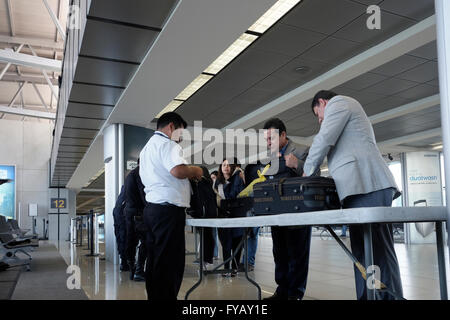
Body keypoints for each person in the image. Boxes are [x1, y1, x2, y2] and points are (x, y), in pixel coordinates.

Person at [303, 90, 403, 300]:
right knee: (363, 251)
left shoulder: (339, 103)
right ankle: (367, 297)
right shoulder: (344, 109)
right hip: (358, 187)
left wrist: (307, 171)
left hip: (368, 185)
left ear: (322, 102)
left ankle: (389, 298)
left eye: (318, 115)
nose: (320, 120)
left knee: (377, 249)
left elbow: (324, 138)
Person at [139, 112, 203, 300]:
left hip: (152, 210)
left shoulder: (147, 148)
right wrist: (196, 170)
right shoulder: (168, 144)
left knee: (155, 260)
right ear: (172, 127)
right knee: (170, 262)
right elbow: (177, 170)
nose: (181, 137)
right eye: (181, 131)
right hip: (167, 212)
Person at [262, 118, 317, 300]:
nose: (268, 143)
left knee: (297, 254)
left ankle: (295, 293)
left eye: (271, 138)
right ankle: (282, 290)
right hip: (277, 211)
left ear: (283, 134)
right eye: (266, 140)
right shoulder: (272, 157)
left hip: (298, 211)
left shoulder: (302, 150)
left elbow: (314, 176)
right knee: (279, 252)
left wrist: (297, 164)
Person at [214, 158, 245, 277]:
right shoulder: (218, 183)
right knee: (226, 245)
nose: (226, 167)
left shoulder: (238, 179)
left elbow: (237, 195)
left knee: (237, 244)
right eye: (224, 165)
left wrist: (237, 174)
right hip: (223, 217)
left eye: (229, 165)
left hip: (237, 216)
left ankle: (234, 268)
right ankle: (226, 267)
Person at [124, 162, 147, 282]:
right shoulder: (140, 173)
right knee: (146, 241)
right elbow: (143, 194)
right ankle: (139, 271)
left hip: (129, 212)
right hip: (138, 213)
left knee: (131, 241)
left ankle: (132, 269)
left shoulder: (130, 175)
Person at [112, 185, 128, 271]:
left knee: (120, 237)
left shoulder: (124, 186)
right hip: (122, 212)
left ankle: (124, 261)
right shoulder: (134, 182)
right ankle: (125, 262)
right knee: (124, 236)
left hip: (117, 211)